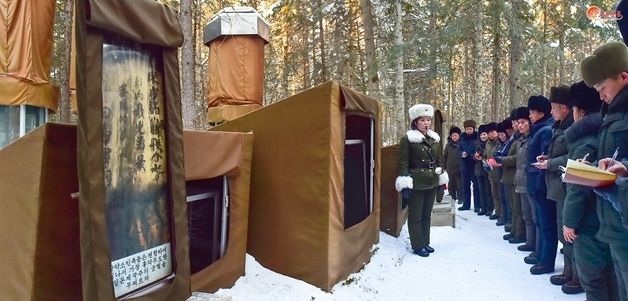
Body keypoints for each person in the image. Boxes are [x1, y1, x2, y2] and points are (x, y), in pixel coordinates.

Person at [563, 80, 618, 300]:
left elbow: (578, 188)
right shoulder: (604, 133)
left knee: (593, 280)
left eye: (574, 110)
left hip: (587, 222)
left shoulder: (584, 143)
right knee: (611, 278)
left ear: (581, 112)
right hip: (607, 218)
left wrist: (569, 221)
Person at [581, 40, 628, 299]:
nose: (600, 96)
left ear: (623, 77)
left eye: (603, 88)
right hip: (614, 221)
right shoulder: (612, 114)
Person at [536, 85, 579, 291]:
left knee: (570, 234)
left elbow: (573, 156)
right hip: (557, 186)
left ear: (564, 107)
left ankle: (576, 276)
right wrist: (548, 158)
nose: (551, 111)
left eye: (553, 107)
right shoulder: (560, 127)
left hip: (565, 186)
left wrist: (550, 163)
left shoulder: (572, 129)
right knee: (564, 234)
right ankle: (568, 271)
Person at [395, 104, 449, 257]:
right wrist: (405, 184)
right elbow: (403, 163)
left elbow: (439, 161)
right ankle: (418, 245)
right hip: (417, 182)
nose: (426, 123)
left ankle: (425, 242)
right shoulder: (408, 139)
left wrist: (441, 181)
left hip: (432, 180)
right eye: (423, 120)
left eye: (428, 120)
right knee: (416, 215)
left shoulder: (435, 139)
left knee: (427, 214)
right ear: (415, 122)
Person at [526, 95, 556, 275]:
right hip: (535, 182)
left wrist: (538, 182)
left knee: (546, 223)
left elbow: (544, 158)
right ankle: (540, 254)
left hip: (541, 183)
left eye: (532, 112)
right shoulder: (538, 129)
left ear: (541, 113)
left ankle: (546, 261)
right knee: (539, 221)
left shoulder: (545, 130)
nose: (530, 115)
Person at [459, 120, 481, 211]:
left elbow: (478, 150)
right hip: (464, 166)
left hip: (474, 165)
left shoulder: (477, 137)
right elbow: (459, 149)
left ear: (473, 129)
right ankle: (466, 204)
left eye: (470, 129)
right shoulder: (462, 138)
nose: (468, 130)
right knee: (465, 186)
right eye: (467, 129)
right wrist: (461, 153)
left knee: (476, 186)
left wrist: (471, 155)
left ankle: (477, 205)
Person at [484, 122, 502, 222]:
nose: (491, 134)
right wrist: (485, 160)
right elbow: (486, 155)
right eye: (489, 132)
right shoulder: (488, 143)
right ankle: (498, 212)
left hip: (500, 172)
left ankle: (502, 214)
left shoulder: (500, 142)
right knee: (494, 194)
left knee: (501, 195)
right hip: (491, 172)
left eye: (493, 132)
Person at [475, 124, 493, 217]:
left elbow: (488, 156)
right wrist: (476, 157)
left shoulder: (489, 144)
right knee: (481, 190)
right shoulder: (477, 144)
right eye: (481, 135)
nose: (483, 136)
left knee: (488, 190)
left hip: (487, 170)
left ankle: (490, 208)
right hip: (479, 170)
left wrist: (481, 157)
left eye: (485, 134)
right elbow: (473, 157)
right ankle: (483, 207)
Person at [444, 126, 463, 203]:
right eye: (453, 136)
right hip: (450, 168)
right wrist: (444, 165)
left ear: (459, 136)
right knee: (451, 184)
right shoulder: (448, 145)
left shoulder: (462, 144)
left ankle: (461, 197)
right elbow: (445, 156)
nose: (454, 137)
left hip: (460, 168)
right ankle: (452, 196)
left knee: (460, 184)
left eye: (456, 135)